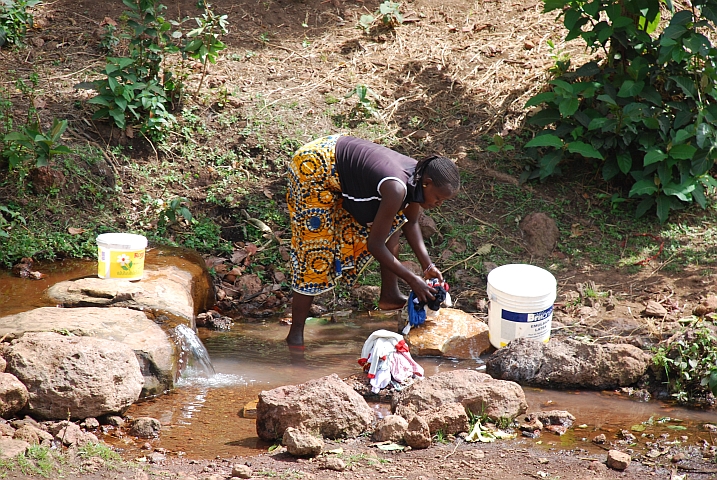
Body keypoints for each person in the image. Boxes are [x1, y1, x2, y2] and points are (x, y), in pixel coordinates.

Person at [285, 134, 460, 347]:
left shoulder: (418, 178)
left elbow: (411, 222)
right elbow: (375, 245)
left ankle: (389, 296)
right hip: (313, 167)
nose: (439, 204)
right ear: (427, 183)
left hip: (336, 159)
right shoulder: (397, 188)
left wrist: (428, 265)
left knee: (393, 219)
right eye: (439, 198)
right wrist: (413, 280)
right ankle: (295, 335)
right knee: (315, 251)